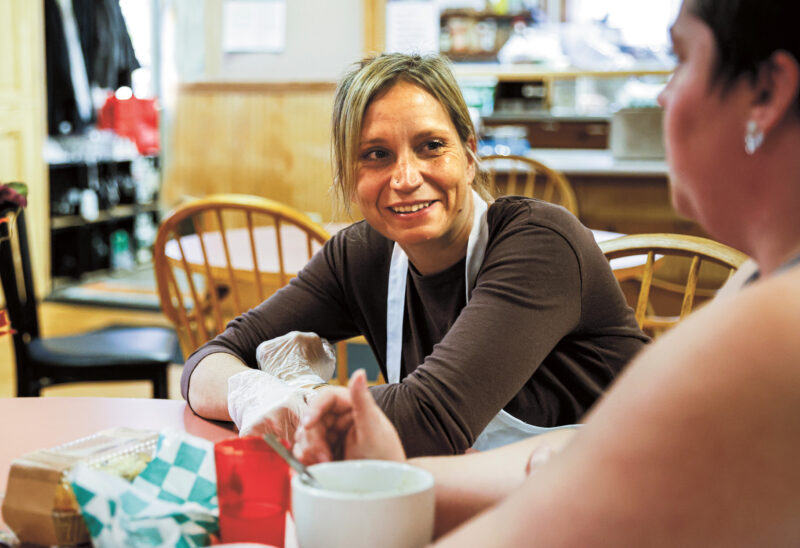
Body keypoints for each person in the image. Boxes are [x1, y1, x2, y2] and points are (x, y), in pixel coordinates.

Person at [294, 0, 800, 543]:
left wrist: (380, 482)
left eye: (681, 59)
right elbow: (585, 459)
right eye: (375, 155)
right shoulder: (757, 283)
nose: (662, 94)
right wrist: (397, 476)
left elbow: (586, 494)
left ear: (767, 93)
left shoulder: (773, 325)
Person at [181, 53, 647, 457]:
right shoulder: (361, 255)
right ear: (349, 176)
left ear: (469, 155)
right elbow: (209, 360)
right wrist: (251, 390)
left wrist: (296, 403)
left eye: (431, 146)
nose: (405, 177)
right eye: (376, 154)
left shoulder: (541, 243)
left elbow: (430, 420)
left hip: (622, 502)